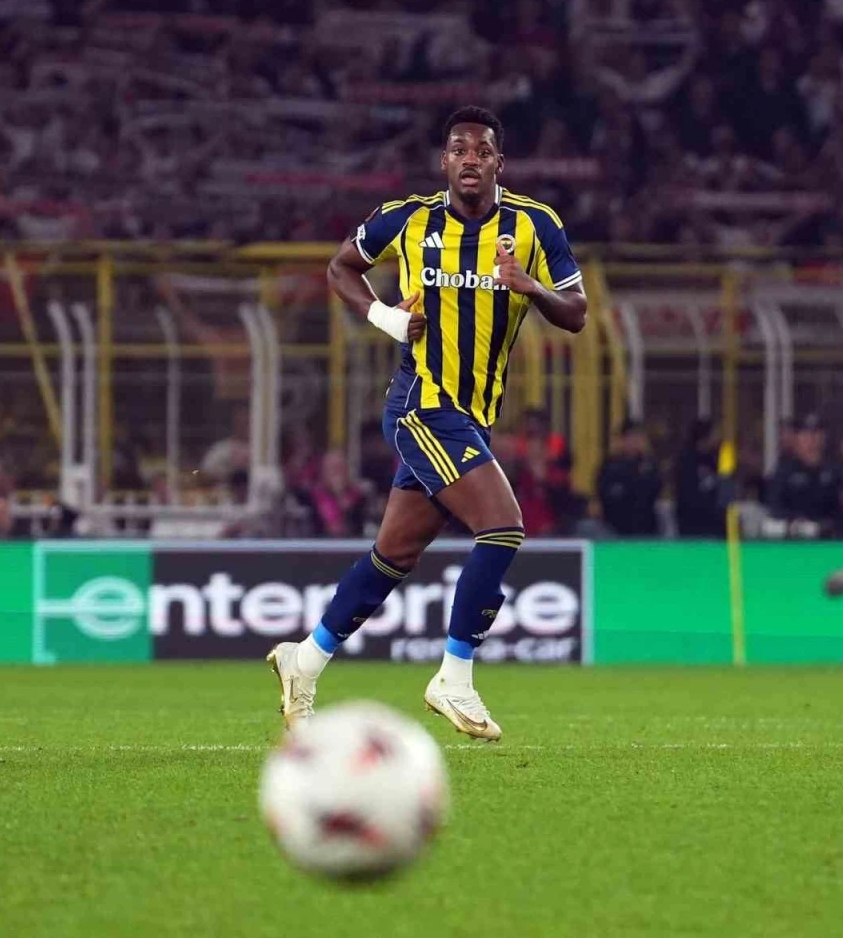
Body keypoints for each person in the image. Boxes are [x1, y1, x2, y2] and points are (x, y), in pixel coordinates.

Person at [267, 107, 587, 741]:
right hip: (421, 405)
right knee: (503, 527)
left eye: (483, 151)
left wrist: (530, 287)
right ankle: (454, 677)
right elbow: (340, 268)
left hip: (474, 415)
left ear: (499, 164)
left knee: (394, 555)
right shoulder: (408, 219)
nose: (471, 159)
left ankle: (304, 660)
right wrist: (385, 317)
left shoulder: (534, 225)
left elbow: (576, 312)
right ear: (444, 162)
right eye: (459, 149)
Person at [767, 414, 835, 536]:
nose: (812, 441)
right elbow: (775, 507)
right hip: (795, 537)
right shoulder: (784, 471)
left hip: (827, 539)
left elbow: (839, 507)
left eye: (816, 435)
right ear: (797, 440)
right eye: (806, 436)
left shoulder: (832, 471)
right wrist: (797, 521)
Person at [596, 420, 663, 536]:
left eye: (638, 437)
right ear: (622, 439)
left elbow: (655, 489)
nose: (635, 442)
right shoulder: (611, 465)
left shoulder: (649, 464)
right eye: (631, 437)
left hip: (646, 529)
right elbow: (608, 495)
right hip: (616, 529)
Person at [675, 419, 727, 536]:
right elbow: (687, 496)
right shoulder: (687, 461)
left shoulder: (716, 460)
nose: (719, 438)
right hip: (693, 528)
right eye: (715, 434)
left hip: (716, 529)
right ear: (704, 437)